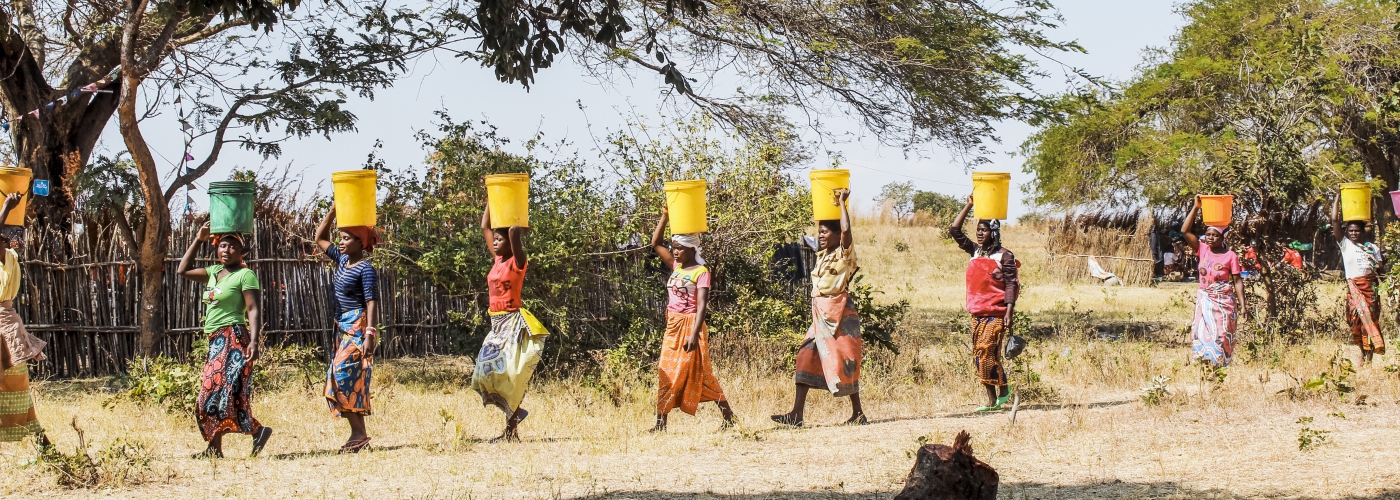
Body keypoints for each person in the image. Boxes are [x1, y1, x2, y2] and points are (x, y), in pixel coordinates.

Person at [772, 188, 867, 426]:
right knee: (805, 355)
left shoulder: (845, 255)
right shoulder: (824, 254)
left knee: (844, 360)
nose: (821, 235)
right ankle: (796, 414)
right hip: (821, 313)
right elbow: (813, 239)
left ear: (836, 234)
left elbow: (846, 230)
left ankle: (858, 412)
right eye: (820, 232)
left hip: (840, 312)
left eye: (825, 232)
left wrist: (842, 202)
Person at [177, 222, 272, 458]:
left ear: (241, 252)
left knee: (213, 393)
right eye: (222, 246)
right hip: (216, 339)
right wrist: (199, 240)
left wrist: (254, 340)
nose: (225, 250)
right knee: (219, 394)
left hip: (234, 337)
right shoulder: (211, 273)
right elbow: (183, 270)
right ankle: (221, 445)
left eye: (231, 247)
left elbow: (252, 309)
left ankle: (235, 439)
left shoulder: (245, 274)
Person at [648, 205, 736, 432]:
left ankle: (728, 416)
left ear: (691, 249)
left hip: (691, 325)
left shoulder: (701, 272)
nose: (675, 252)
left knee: (699, 373)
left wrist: (694, 334)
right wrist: (665, 216)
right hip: (673, 324)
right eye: (674, 248)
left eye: (680, 249)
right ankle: (660, 424)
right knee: (665, 369)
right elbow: (655, 244)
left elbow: (702, 305)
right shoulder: (676, 267)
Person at [470, 202, 549, 442]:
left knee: (510, 375)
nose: (494, 242)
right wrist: (492, 199)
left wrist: (514, 206)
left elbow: (514, 231)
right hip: (496, 323)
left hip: (513, 322)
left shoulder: (517, 263)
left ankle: (511, 429)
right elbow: (485, 225)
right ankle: (515, 415)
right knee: (484, 374)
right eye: (494, 240)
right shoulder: (497, 261)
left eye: (499, 240)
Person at [315, 205, 379, 453]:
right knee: (346, 379)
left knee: (342, 375)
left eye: (346, 238)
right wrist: (333, 213)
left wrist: (370, 334)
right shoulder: (342, 260)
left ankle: (359, 433)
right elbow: (320, 238)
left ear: (360, 242)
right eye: (340, 238)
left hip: (358, 327)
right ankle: (358, 435)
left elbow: (371, 302)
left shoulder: (366, 269)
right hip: (342, 326)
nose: (340, 242)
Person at [950, 196, 1019, 412]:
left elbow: (1011, 284)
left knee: (987, 352)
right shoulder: (975, 251)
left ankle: (1003, 390)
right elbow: (954, 230)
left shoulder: (1004, 255)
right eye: (978, 230)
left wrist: (1009, 311)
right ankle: (994, 397)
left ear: (994, 233)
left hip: (996, 313)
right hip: (977, 313)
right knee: (979, 357)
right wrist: (969, 205)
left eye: (984, 230)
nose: (980, 233)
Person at [0, 194, 50, 450]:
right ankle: (45, 447)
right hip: (8, 325)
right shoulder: (8, 258)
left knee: (16, 392)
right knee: (17, 392)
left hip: (4, 327)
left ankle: (44, 446)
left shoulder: (6, 258)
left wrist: (7, 207)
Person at [1180, 197, 1247, 368]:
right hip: (1205, 299)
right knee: (1199, 332)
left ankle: (1218, 368)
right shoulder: (1202, 249)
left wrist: (1243, 306)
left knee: (1221, 334)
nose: (1209, 238)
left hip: (1223, 302)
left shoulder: (1230, 256)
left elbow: (1237, 281)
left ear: (1222, 237)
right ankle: (1206, 365)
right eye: (1207, 234)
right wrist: (1196, 208)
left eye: (1214, 235)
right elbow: (1185, 231)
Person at [1331, 197, 1385, 366]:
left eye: (1357, 231)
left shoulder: (1372, 248)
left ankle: (1368, 356)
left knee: (1370, 322)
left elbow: (1380, 271)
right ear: (1347, 232)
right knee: (1354, 322)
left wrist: (1382, 263)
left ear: (1363, 232)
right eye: (1351, 231)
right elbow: (1334, 221)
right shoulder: (1346, 245)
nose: (1354, 233)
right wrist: (1338, 198)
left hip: (1371, 291)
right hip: (1355, 289)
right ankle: (1362, 350)